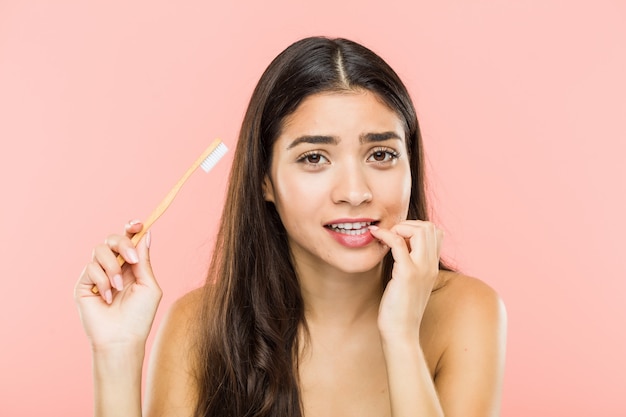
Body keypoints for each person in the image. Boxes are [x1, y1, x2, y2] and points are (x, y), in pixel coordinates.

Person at [75, 36, 507, 417]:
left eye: (381, 154)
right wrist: (116, 351)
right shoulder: (199, 327)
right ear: (265, 179)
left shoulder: (466, 313)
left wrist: (401, 335)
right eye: (314, 158)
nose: (355, 193)